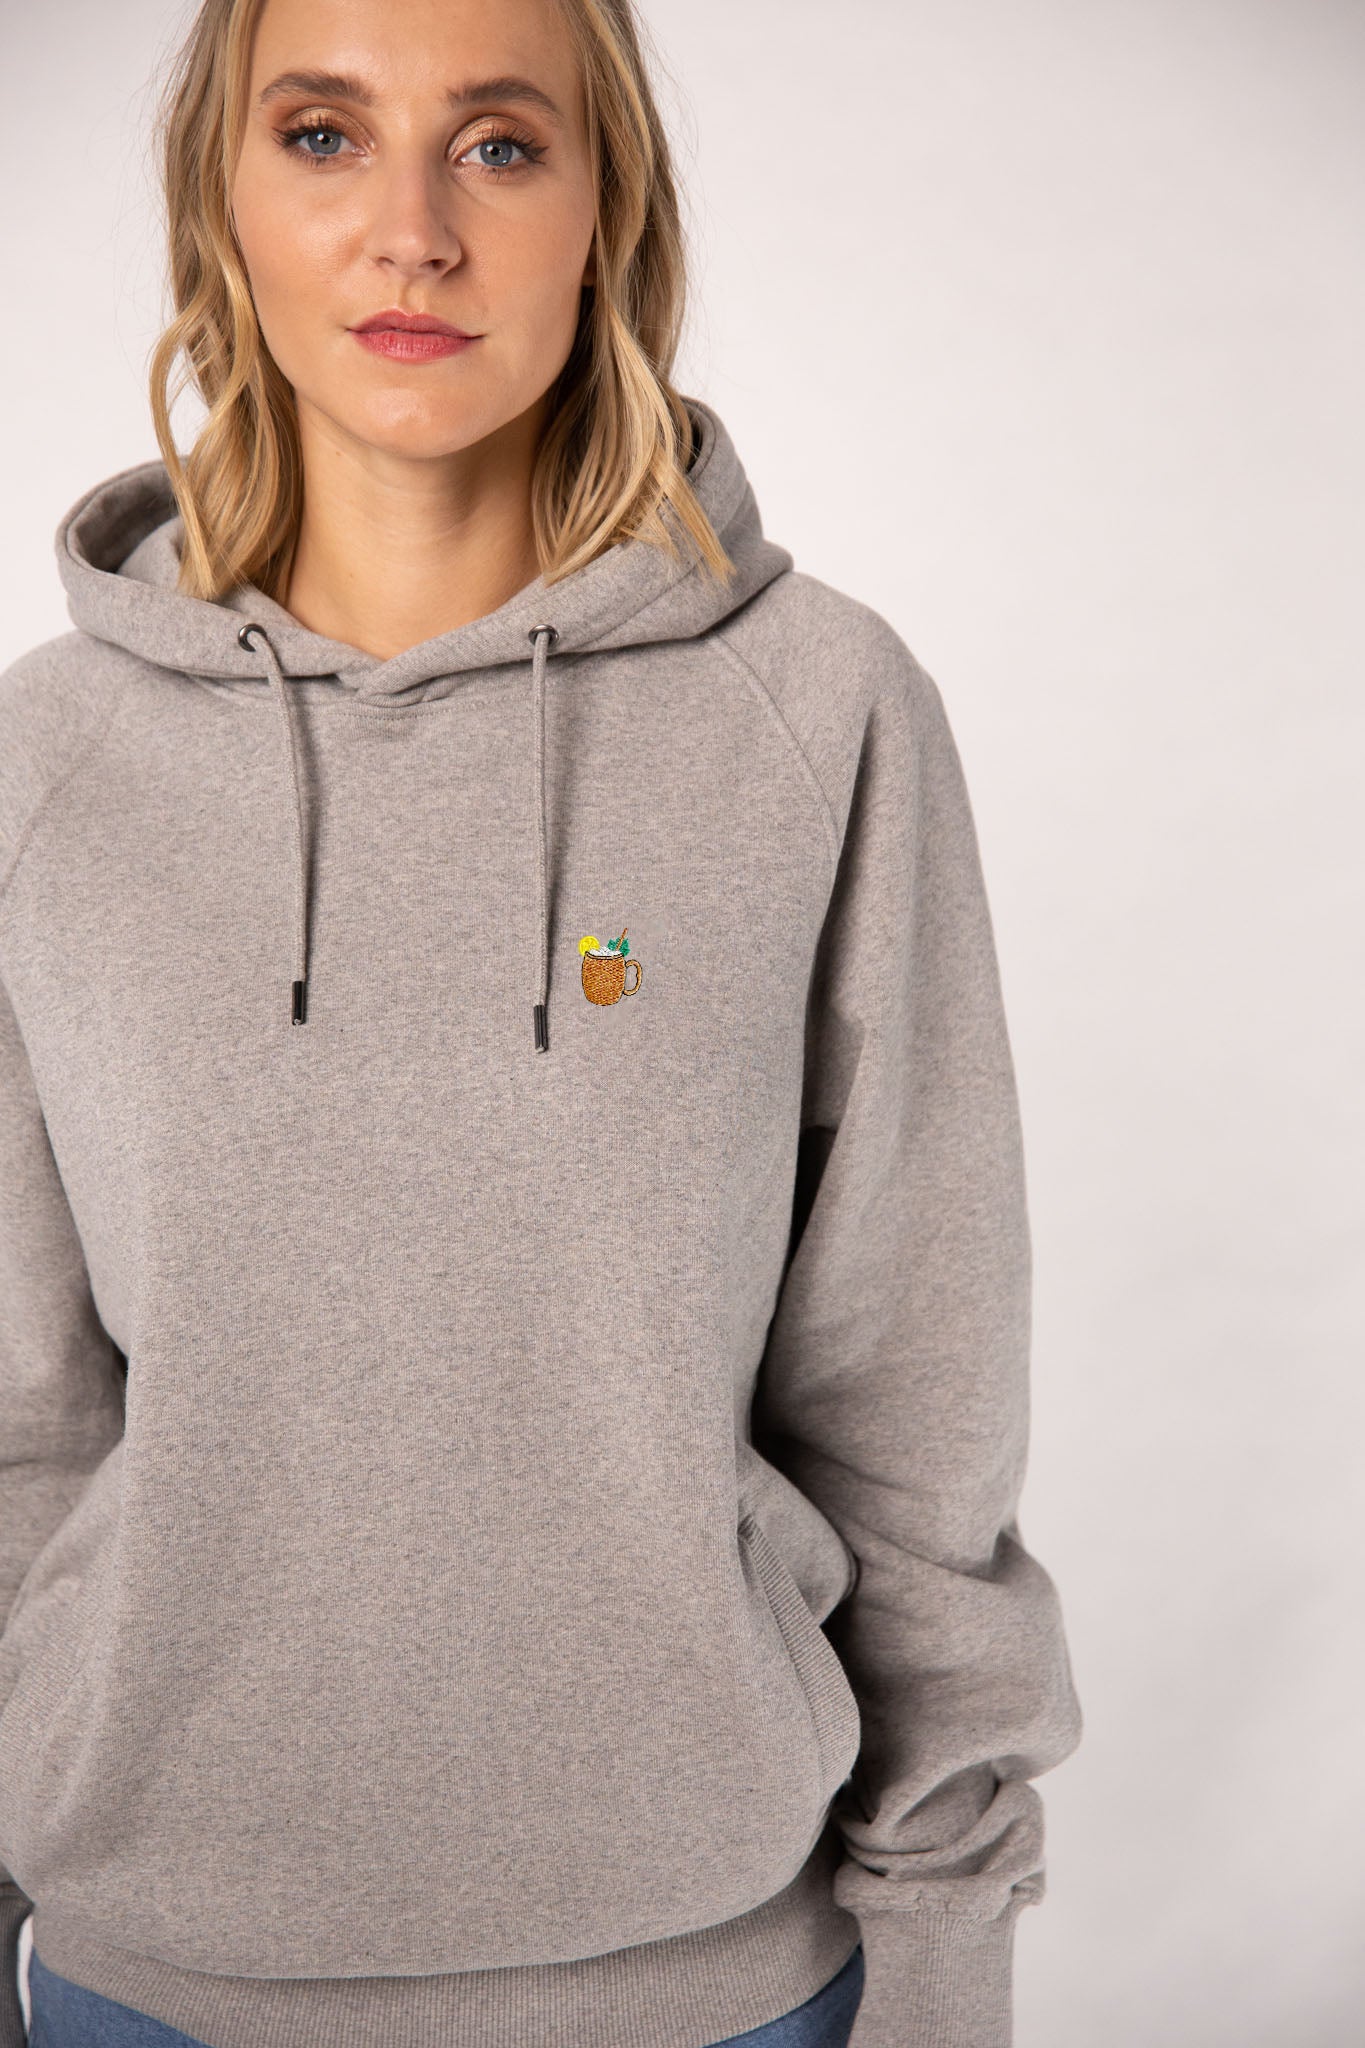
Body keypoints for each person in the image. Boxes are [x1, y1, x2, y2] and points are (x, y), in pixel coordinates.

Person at [0, 0, 1085, 2043]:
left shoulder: (817, 714)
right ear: (219, 200)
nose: (412, 227)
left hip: (716, 1979)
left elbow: (913, 1404)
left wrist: (945, 1958)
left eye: (499, 145)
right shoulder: (45, 766)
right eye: (322, 135)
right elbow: (15, 1427)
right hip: (156, 1976)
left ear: (608, 213)